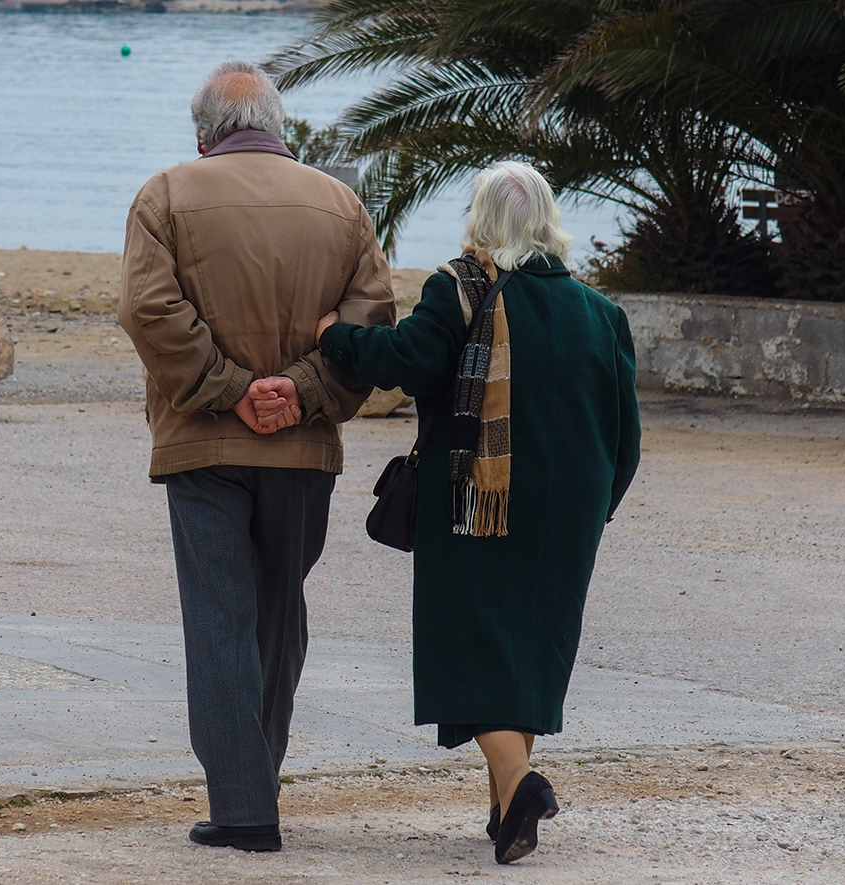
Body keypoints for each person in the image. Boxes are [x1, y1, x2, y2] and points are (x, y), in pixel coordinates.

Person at [306, 161, 641, 864]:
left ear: (482, 221)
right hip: (570, 511)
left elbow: (407, 360)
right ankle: (504, 813)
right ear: (547, 220)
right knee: (528, 645)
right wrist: (594, 507)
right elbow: (626, 435)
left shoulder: (458, 286)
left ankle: (521, 784)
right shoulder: (602, 313)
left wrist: (336, 335)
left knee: (472, 644)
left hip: (477, 499)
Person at [118, 60, 396, 853]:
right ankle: (258, 778)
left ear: (202, 132)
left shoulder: (165, 194)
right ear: (280, 126)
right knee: (277, 611)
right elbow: (372, 316)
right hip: (304, 448)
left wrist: (230, 390)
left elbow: (146, 308)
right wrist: (300, 391)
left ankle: (243, 805)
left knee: (220, 617)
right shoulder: (340, 204)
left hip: (202, 441)